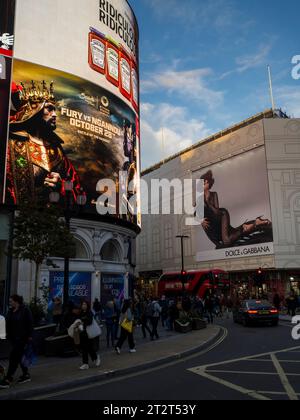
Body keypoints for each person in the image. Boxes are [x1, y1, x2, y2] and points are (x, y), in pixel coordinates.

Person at [6, 81, 82, 205]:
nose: (54, 115)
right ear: (34, 110)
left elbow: (78, 190)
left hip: (53, 220)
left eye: (55, 110)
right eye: (49, 109)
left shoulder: (57, 151)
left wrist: (61, 186)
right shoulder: (10, 145)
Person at [200, 170, 272, 249]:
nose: (204, 184)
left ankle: (255, 224)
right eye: (203, 183)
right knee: (232, 235)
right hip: (216, 225)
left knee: (227, 241)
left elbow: (217, 212)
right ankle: (255, 223)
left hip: (222, 216)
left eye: (206, 182)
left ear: (209, 183)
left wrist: (208, 202)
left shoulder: (213, 194)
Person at [0, 295, 33, 389]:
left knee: (13, 357)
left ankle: (8, 379)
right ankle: (26, 375)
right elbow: (7, 322)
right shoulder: (11, 310)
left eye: (11, 301)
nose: (9, 303)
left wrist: (30, 337)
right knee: (20, 357)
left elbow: (30, 323)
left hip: (23, 338)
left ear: (16, 301)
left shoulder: (25, 310)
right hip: (13, 338)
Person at [78, 301, 101, 370]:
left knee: (89, 348)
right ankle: (85, 364)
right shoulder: (81, 313)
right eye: (82, 304)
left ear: (87, 305)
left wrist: (83, 321)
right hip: (82, 333)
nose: (83, 305)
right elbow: (79, 320)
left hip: (88, 333)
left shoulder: (89, 312)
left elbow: (90, 322)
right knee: (84, 349)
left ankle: (96, 358)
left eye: (85, 304)